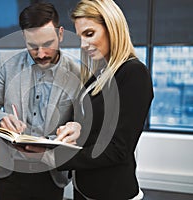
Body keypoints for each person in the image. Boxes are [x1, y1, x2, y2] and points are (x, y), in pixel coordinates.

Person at [52, 0, 154, 199]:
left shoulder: (133, 73)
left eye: (89, 34)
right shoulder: (98, 73)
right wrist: (74, 129)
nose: (83, 44)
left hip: (113, 193)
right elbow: (95, 127)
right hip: (84, 189)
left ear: (112, 28)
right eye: (80, 36)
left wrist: (55, 158)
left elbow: (118, 149)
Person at [0, 2, 80, 200]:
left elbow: (78, 125)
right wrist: (0, 118)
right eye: (33, 46)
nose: (41, 54)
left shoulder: (78, 75)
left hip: (50, 172)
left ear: (60, 34)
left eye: (48, 44)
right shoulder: (7, 63)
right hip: (9, 170)